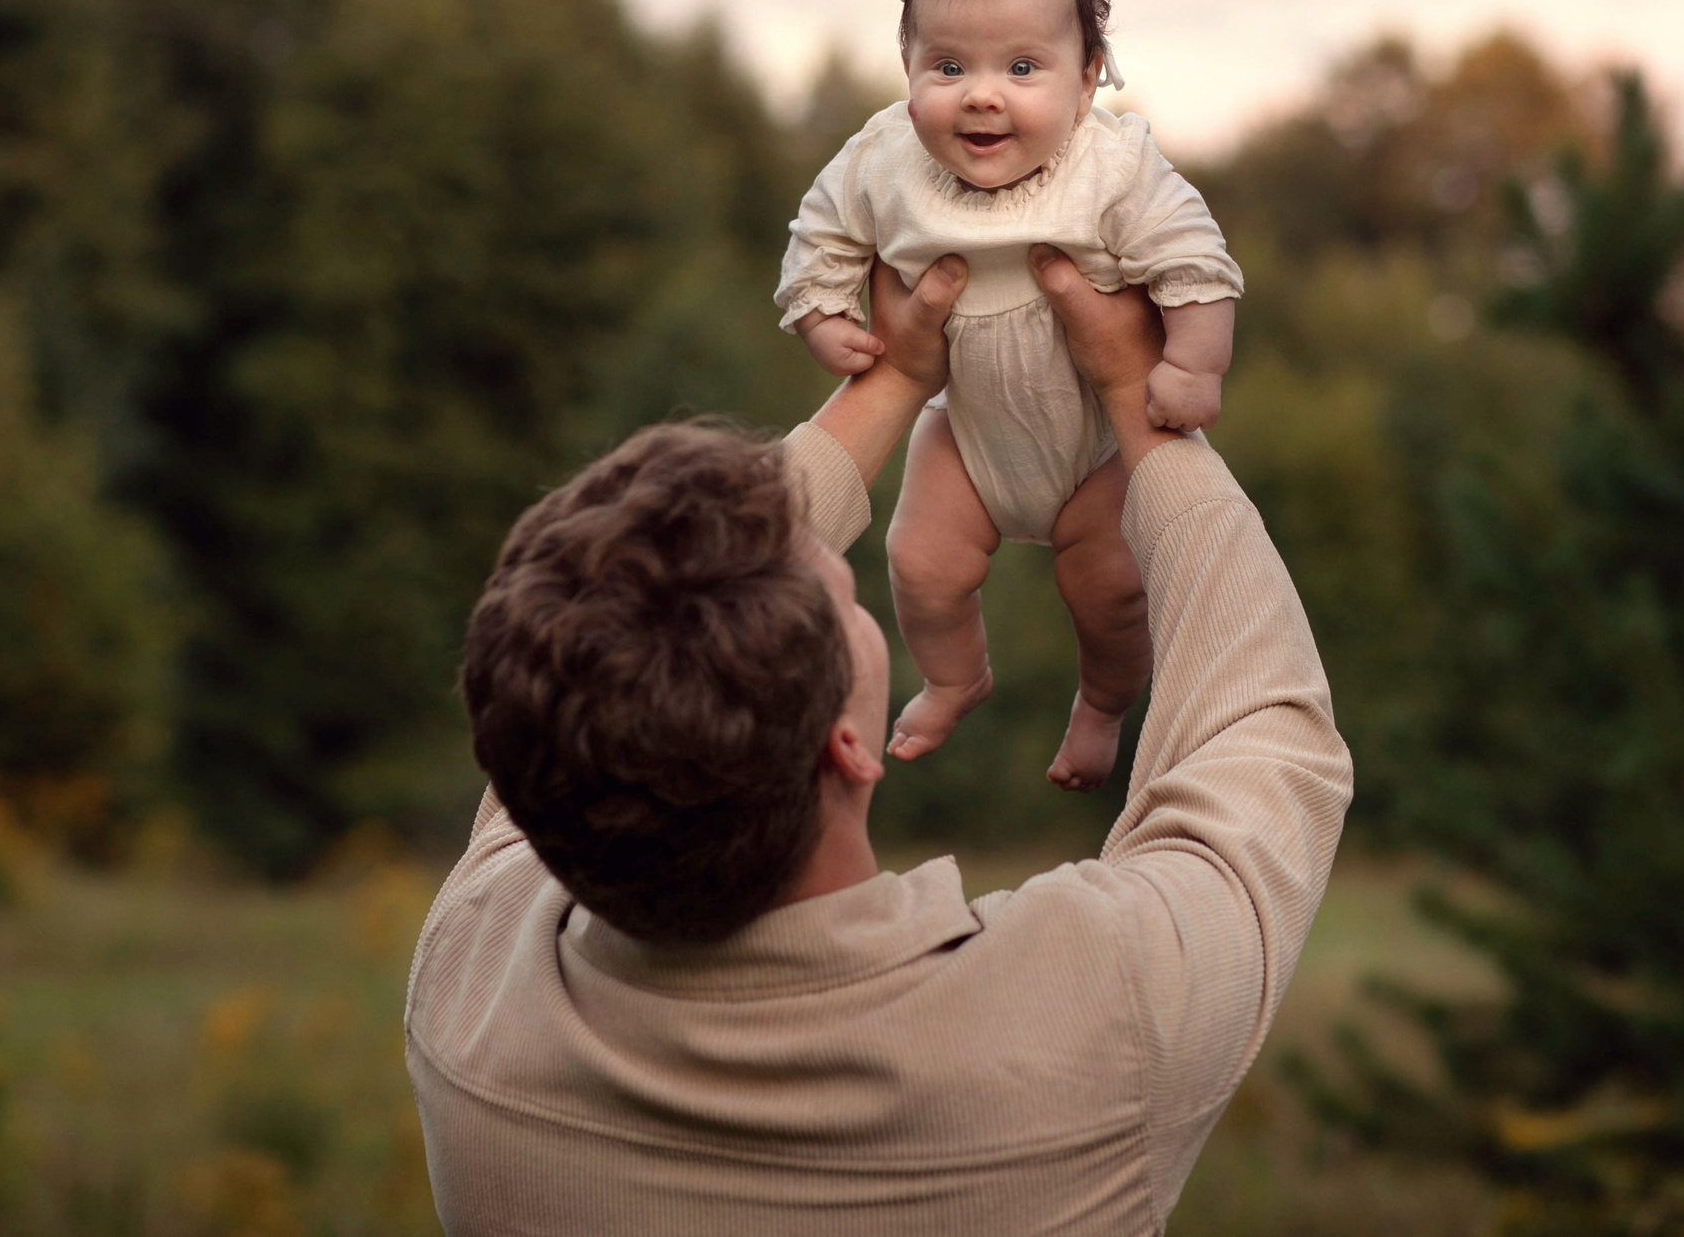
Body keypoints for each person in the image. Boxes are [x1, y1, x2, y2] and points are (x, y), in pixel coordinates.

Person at [405, 246, 1350, 1236]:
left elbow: (579, 657)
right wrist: (1131, 393)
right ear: (847, 747)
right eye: (849, 599)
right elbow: (1264, 728)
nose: (843, 576)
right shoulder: (1084, 1014)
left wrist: (896, 377)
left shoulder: (473, 989)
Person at [777, 0, 1242, 791]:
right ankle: (956, 677)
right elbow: (821, 233)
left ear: (1086, 77)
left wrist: (1193, 364)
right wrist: (822, 314)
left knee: (1110, 593)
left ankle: (1102, 705)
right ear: (907, 72)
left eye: (1023, 66)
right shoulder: (882, 161)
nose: (982, 93)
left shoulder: (1113, 165)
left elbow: (1195, 256)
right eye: (948, 66)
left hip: (1098, 443)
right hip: (968, 432)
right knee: (918, 563)